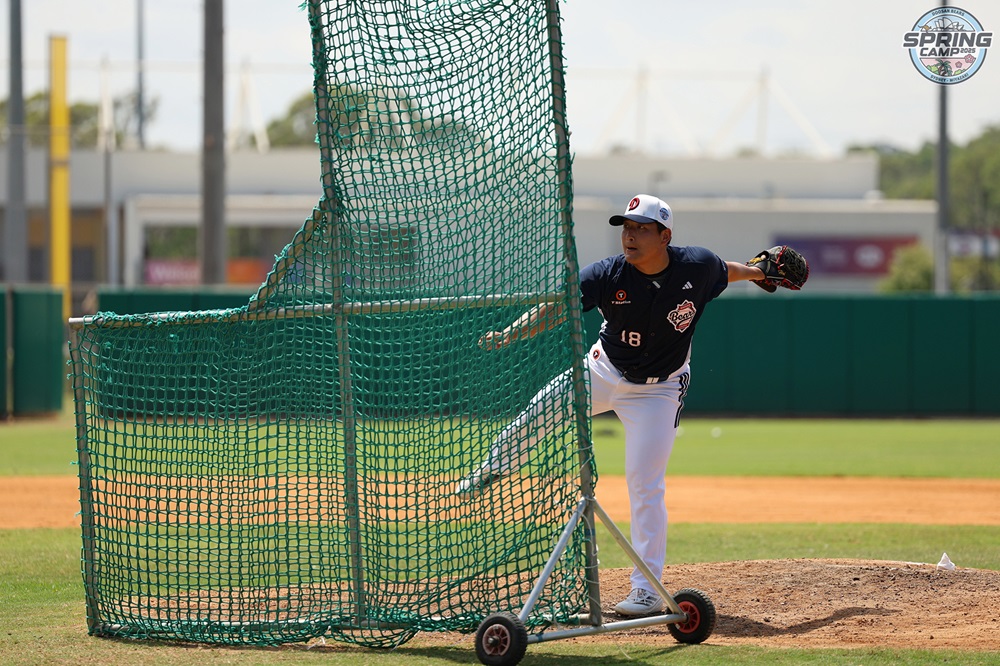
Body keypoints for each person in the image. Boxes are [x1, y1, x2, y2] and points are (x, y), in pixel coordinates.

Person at [455, 193, 770, 617]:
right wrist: (509, 334)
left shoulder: (697, 265)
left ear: (665, 236)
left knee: (645, 485)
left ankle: (644, 591)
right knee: (542, 408)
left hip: (659, 391)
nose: (630, 236)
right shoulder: (607, 274)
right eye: (626, 227)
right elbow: (555, 309)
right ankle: (493, 466)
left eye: (641, 228)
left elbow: (725, 272)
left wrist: (759, 272)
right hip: (602, 372)